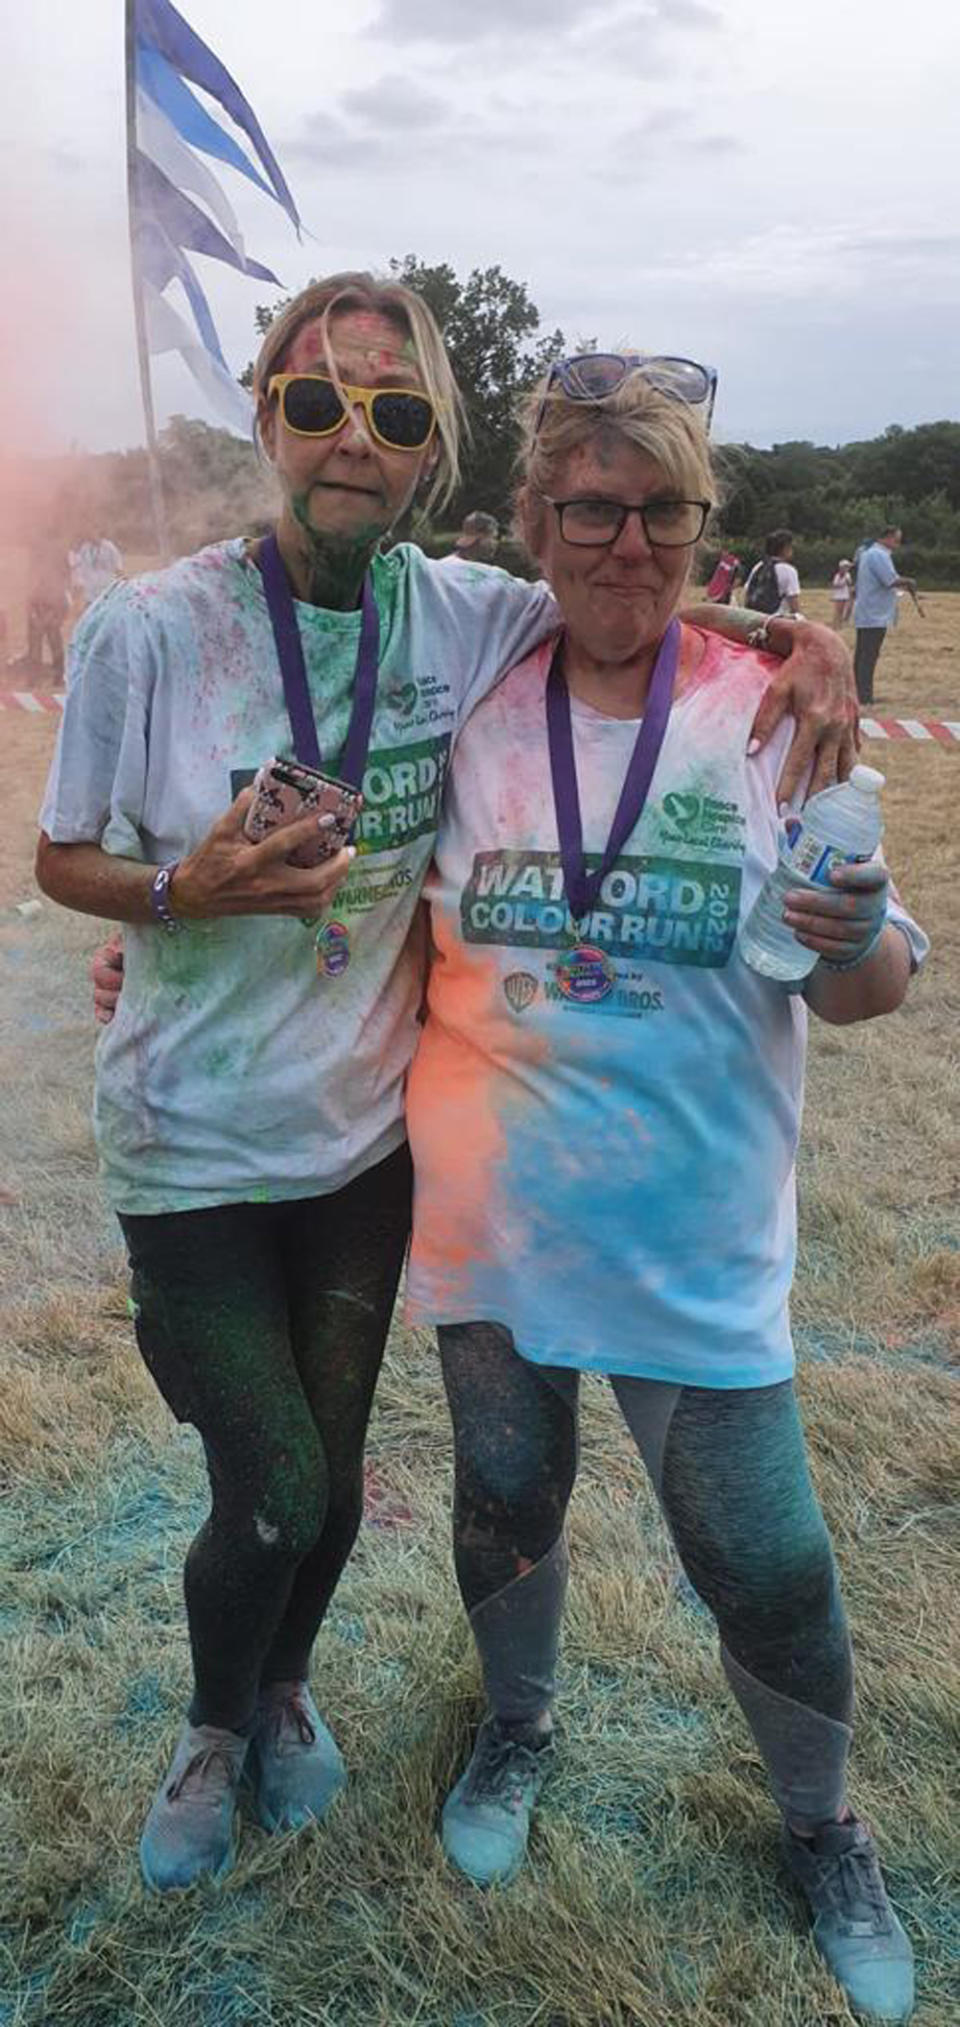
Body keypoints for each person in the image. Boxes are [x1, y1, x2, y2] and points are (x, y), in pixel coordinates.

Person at [40, 283, 853, 1897]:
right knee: (269, 1486)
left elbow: (631, 570)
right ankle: (215, 1723)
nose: (358, 438)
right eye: (324, 400)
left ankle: (284, 1691)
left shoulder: (466, 612)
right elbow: (63, 858)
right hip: (191, 1145)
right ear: (266, 405)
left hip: (360, 1143)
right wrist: (174, 902)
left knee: (336, 1482)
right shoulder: (148, 624)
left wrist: (808, 639)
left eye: (400, 415)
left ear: (436, 456)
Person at [404, 363, 926, 2024]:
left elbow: (861, 982)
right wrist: (158, 949)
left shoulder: (776, 709)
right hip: (495, 1227)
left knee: (766, 1562)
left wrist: (865, 953)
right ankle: (519, 1723)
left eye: (665, 512)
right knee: (504, 1495)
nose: (629, 544)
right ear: (538, 525)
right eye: (592, 509)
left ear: (702, 528)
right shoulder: (467, 704)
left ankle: (824, 1822)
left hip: (696, 1245)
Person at [853, 527, 922, 706]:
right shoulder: (879, 555)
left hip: (868, 612)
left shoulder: (870, 553)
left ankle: (859, 692)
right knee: (868, 656)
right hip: (874, 614)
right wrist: (909, 581)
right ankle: (864, 697)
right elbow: (890, 580)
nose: (898, 545)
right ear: (888, 538)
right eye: (897, 540)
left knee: (863, 655)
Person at [24, 535, 70, 679]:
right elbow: (30, 595)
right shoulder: (36, 570)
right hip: (37, 606)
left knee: (54, 640)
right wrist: (33, 614)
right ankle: (33, 675)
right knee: (34, 643)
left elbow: (61, 598)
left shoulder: (60, 573)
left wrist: (50, 617)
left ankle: (58, 674)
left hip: (54, 607)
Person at [744, 529, 801, 616]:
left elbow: (747, 594)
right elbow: (794, 604)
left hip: (754, 618)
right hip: (775, 620)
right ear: (785, 548)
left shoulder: (758, 566)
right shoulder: (789, 570)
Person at [70, 534, 124, 610]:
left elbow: (118, 566)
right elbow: (79, 568)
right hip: (89, 592)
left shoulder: (109, 547)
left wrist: (122, 583)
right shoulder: (85, 548)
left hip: (106, 590)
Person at [830, 557, 853, 627]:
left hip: (845, 595)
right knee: (838, 612)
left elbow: (850, 584)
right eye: (846, 567)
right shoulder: (838, 576)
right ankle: (836, 624)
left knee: (844, 611)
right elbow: (834, 585)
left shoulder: (848, 575)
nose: (848, 569)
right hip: (838, 596)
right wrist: (842, 584)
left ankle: (841, 624)